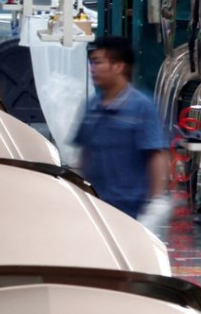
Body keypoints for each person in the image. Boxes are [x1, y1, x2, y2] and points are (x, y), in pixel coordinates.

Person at [72, 36, 170, 224]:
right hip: (98, 205)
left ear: (119, 66)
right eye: (92, 63)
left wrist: (156, 201)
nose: (93, 69)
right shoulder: (92, 106)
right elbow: (84, 153)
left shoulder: (141, 107)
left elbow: (156, 155)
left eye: (98, 62)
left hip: (131, 209)